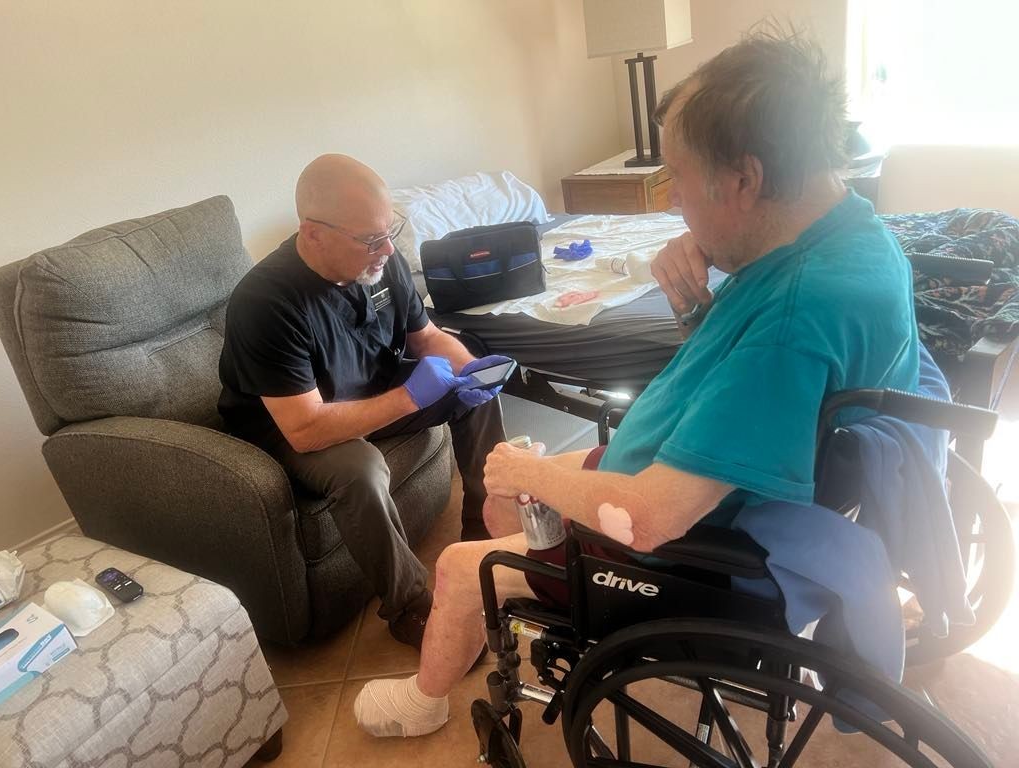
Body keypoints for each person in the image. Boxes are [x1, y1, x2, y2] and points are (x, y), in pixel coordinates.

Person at [353, 28, 921, 738]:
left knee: (467, 558)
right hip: (721, 487)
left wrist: (531, 467)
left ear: (745, 180)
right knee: (507, 493)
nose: (673, 199)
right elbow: (753, 383)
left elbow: (650, 516)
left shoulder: (796, 315)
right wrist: (697, 308)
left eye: (680, 179)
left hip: (698, 544)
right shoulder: (852, 235)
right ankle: (526, 581)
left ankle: (425, 697)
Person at [217, 154, 508, 650]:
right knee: (361, 469)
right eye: (371, 239)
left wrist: (466, 371)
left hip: (367, 389)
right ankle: (411, 606)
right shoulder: (267, 302)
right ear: (313, 234)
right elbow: (305, 428)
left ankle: (484, 530)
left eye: (388, 230)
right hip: (291, 424)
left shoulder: (382, 259)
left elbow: (427, 337)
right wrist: (411, 395)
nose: (388, 248)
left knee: (472, 384)